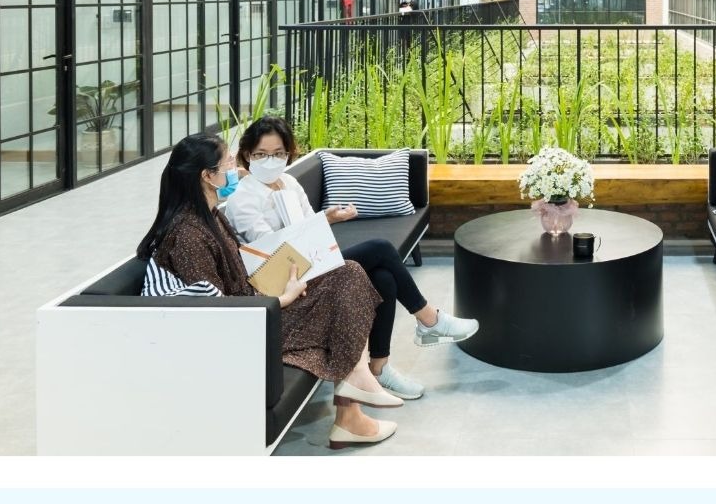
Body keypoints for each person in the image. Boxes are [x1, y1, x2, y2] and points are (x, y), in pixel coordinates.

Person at [136, 132, 404, 449]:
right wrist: (282, 298)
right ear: (208, 176)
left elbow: (236, 280)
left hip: (256, 307)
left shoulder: (210, 216)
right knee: (348, 282)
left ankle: (353, 401)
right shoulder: (188, 235)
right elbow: (219, 314)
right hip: (247, 331)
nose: (237, 169)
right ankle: (354, 398)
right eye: (229, 163)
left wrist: (280, 282)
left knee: (347, 272)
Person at [226, 116, 478, 402]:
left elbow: (309, 225)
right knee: (381, 248)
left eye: (278, 154)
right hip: (287, 278)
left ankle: (380, 367)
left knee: (384, 278)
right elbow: (271, 251)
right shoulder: (243, 199)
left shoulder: (288, 182)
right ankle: (429, 319)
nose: (271, 161)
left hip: (311, 259)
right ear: (247, 155)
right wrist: (316, 231)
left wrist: (329, 218)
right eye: (262, 155)